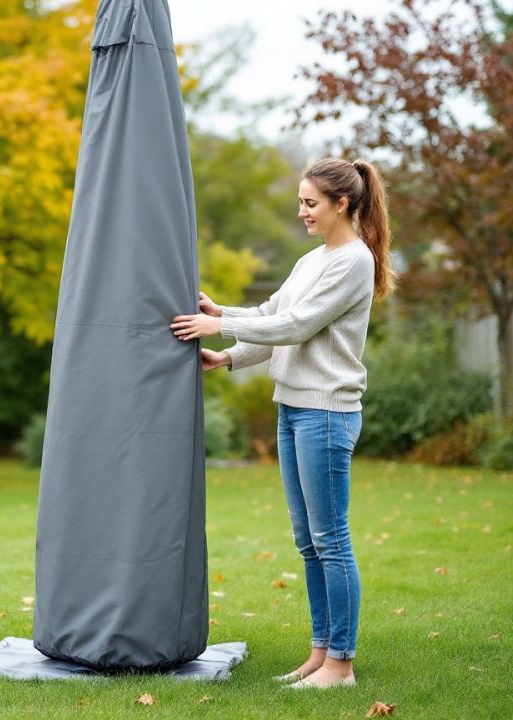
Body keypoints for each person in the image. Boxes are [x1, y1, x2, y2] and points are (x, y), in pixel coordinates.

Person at [168, 156, 396, 689]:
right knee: (308, 540)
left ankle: (342, 664)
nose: (302, 212)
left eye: (311, 203)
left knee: (331, 538)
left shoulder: (353, 261)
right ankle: (320, 655)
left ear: (343, 203)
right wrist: (227, 353)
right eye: (301, 202)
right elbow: (273, 310)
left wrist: (219, 323)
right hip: (293, 408)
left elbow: (296, 326)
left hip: (326, 412)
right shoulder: (312, 260)